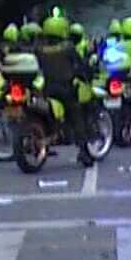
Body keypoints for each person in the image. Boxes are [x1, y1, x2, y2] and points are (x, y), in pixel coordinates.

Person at [36, 14, 96, 166]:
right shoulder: (68, 48)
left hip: (47, 89)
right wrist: (86, 74)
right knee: (77, 116)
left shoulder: (40, 49)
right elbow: (80, 66)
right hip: (65, 89)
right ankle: (83, 151)